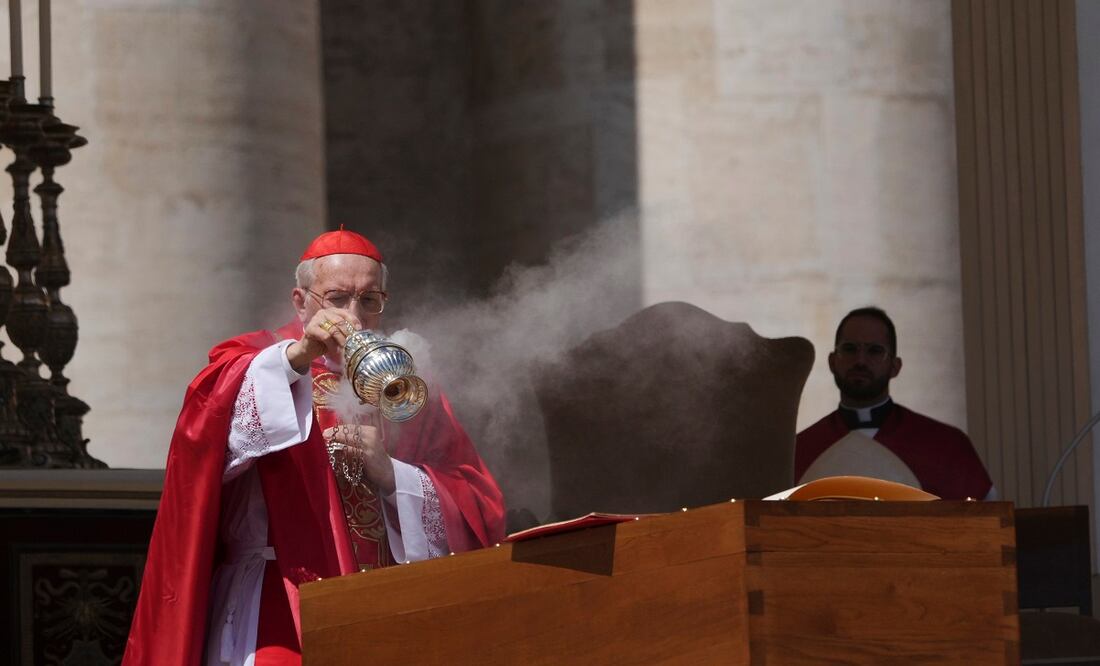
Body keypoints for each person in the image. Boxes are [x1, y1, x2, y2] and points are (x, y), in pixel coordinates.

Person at [123, 229, 506, 666]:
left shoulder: (404, 382)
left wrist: (392, 474)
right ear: (301, 301)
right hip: (279, 599)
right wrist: (299, 355)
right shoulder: (260, 362)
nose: (354, 317)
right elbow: (204, 442)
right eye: (337, 298)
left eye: (369, 301)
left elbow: (476, 502)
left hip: (381, 603)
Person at [794, 306, 995, 500]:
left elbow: (989, 524)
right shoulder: (800, 450)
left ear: (895, 367)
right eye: (849, 349)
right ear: (832, 361)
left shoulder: (947, 446)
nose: (860, 360)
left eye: (874, 351)